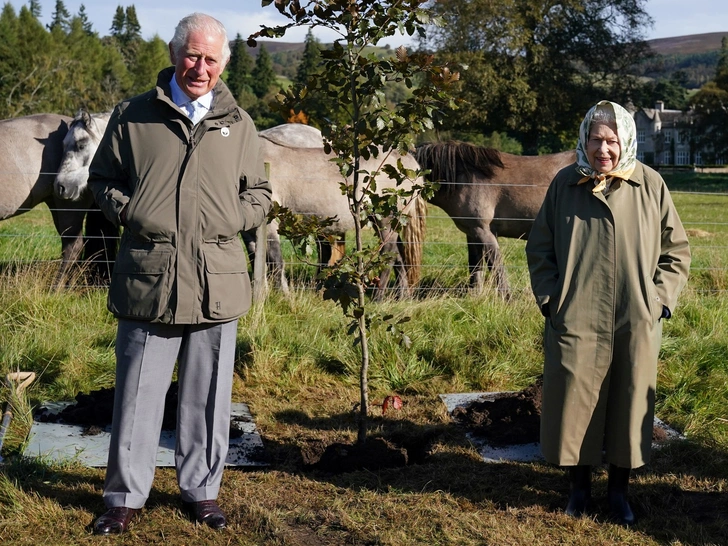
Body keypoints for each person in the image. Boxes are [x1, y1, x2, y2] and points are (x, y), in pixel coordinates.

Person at [87, 13, 272, 535]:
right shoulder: (134, 116)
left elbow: (259, 193)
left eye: (211, 59)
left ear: (223, 64)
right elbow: (102, 180)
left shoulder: (239, 123)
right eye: (193, 55)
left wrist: (231, 219)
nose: (201, 67)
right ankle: (124, 497)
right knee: (137, 392)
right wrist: (132, 211)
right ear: (173, 55)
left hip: (217, 279)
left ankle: (202, 492)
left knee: (209, 394)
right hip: (151, 276)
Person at [525, 100, 690, 526]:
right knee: (575, 401)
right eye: (596, 140)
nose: (603, 149)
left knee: (629, 401)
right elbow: (540, 248)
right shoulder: (566, 183)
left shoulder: (650, 185)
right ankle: (578, 490)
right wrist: (550, 299)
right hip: (576, 314)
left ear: (626, 142)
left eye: (612, 141)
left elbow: (676, 252)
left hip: (634, 316)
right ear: (584, 140)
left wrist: (658, 301)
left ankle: (619, 493)